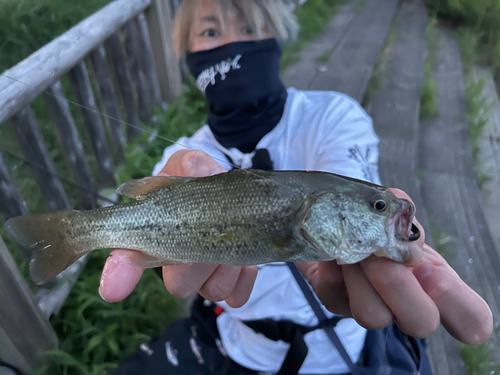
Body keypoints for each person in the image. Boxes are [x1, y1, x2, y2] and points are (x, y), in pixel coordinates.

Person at [101, 0, 493, 373]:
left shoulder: (335, 117)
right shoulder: (179, 160)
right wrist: (162, 263)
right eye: (209, 30)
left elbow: (344, 181)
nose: (232, 42)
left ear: (276, 35)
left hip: (345, 351)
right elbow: (160, 260)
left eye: (250, 27)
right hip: (241, 348)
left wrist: (376, 222)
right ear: (186, 52)